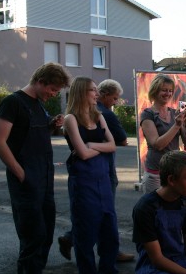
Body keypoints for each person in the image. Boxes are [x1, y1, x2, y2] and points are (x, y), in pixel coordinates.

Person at [0, 62, 70, 274]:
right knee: (32, 237)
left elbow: (33, 133)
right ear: (40, 81)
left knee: (45, 234)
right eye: (52, 89)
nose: (53, 94)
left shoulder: (38, 104)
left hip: (45, 179)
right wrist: (20, 173)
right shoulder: (12, 103)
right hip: (26, 182)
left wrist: (52, 125)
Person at [57, 79, 134, 263]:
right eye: (114, 98)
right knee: (96, 214)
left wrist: (91, 145)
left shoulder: (96, 115)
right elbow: (121, 140)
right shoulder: (96, 115)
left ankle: (94, 249)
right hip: (94, 173)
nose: (115, 102)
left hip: (96, 171)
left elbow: (108, 146)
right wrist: (101, 146)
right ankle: (101, 254)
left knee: (98, 213)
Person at [140, 74, 186, 193]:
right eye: (164, 90)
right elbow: (158, 144)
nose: (168, 93)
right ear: (155, 91)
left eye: (170, 91)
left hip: (174, 171)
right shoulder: (147, 114)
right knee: (155, 204)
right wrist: (177, 125)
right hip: (155, 173)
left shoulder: (175, 113)